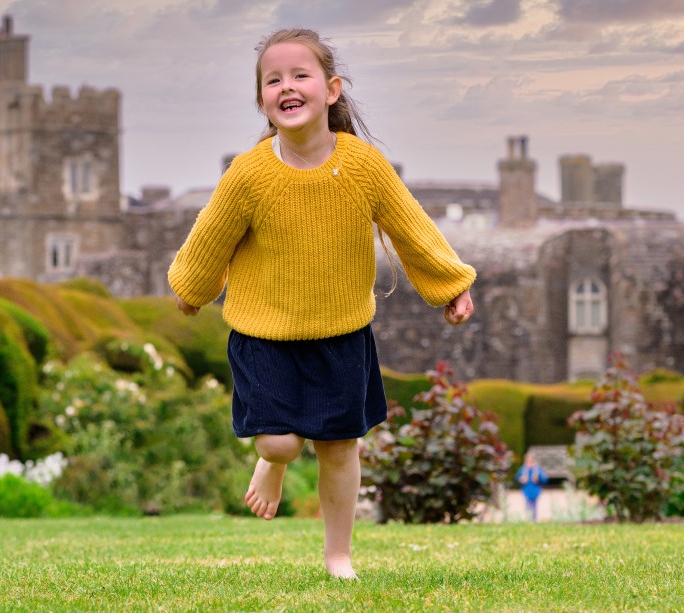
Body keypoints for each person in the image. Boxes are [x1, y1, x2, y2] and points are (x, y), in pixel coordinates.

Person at [167, 28, 476, 579]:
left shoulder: (363, 165)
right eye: (273, 80)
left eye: (300, 75)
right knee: (280, 443)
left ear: (331, 90)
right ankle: (272, 464)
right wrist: (192, 289)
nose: (287, 86)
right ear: (262, 99)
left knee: (338, 450)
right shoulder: (249, 174)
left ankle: (339, 556)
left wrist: (451, 283)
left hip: (340, 334)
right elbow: (210, 238)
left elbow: (411, 227)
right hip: (264, 335)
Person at [518, 451, 546, 522]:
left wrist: (538, 479)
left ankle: (534, 519)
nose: (529, 464)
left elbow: (544, 479)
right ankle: (529, 518)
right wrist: (521, 479)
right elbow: (517, 477)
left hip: (535, 490)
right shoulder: (523, 469)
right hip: (526, 490)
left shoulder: (537, 470)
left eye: (531, 462)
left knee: (534, 505)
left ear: (534, 462)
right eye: (528, 462)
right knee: (528, 504)